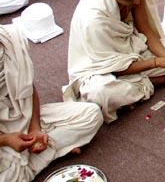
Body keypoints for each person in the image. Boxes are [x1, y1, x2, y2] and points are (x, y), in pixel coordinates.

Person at [0, 24, 103, 181]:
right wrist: (6, 140)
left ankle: (32, 159)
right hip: (4, 142)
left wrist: (35, 129)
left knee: (91, 114)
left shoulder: (9, 36)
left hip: (25, 120)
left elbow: (28, 88)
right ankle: (45, 155)